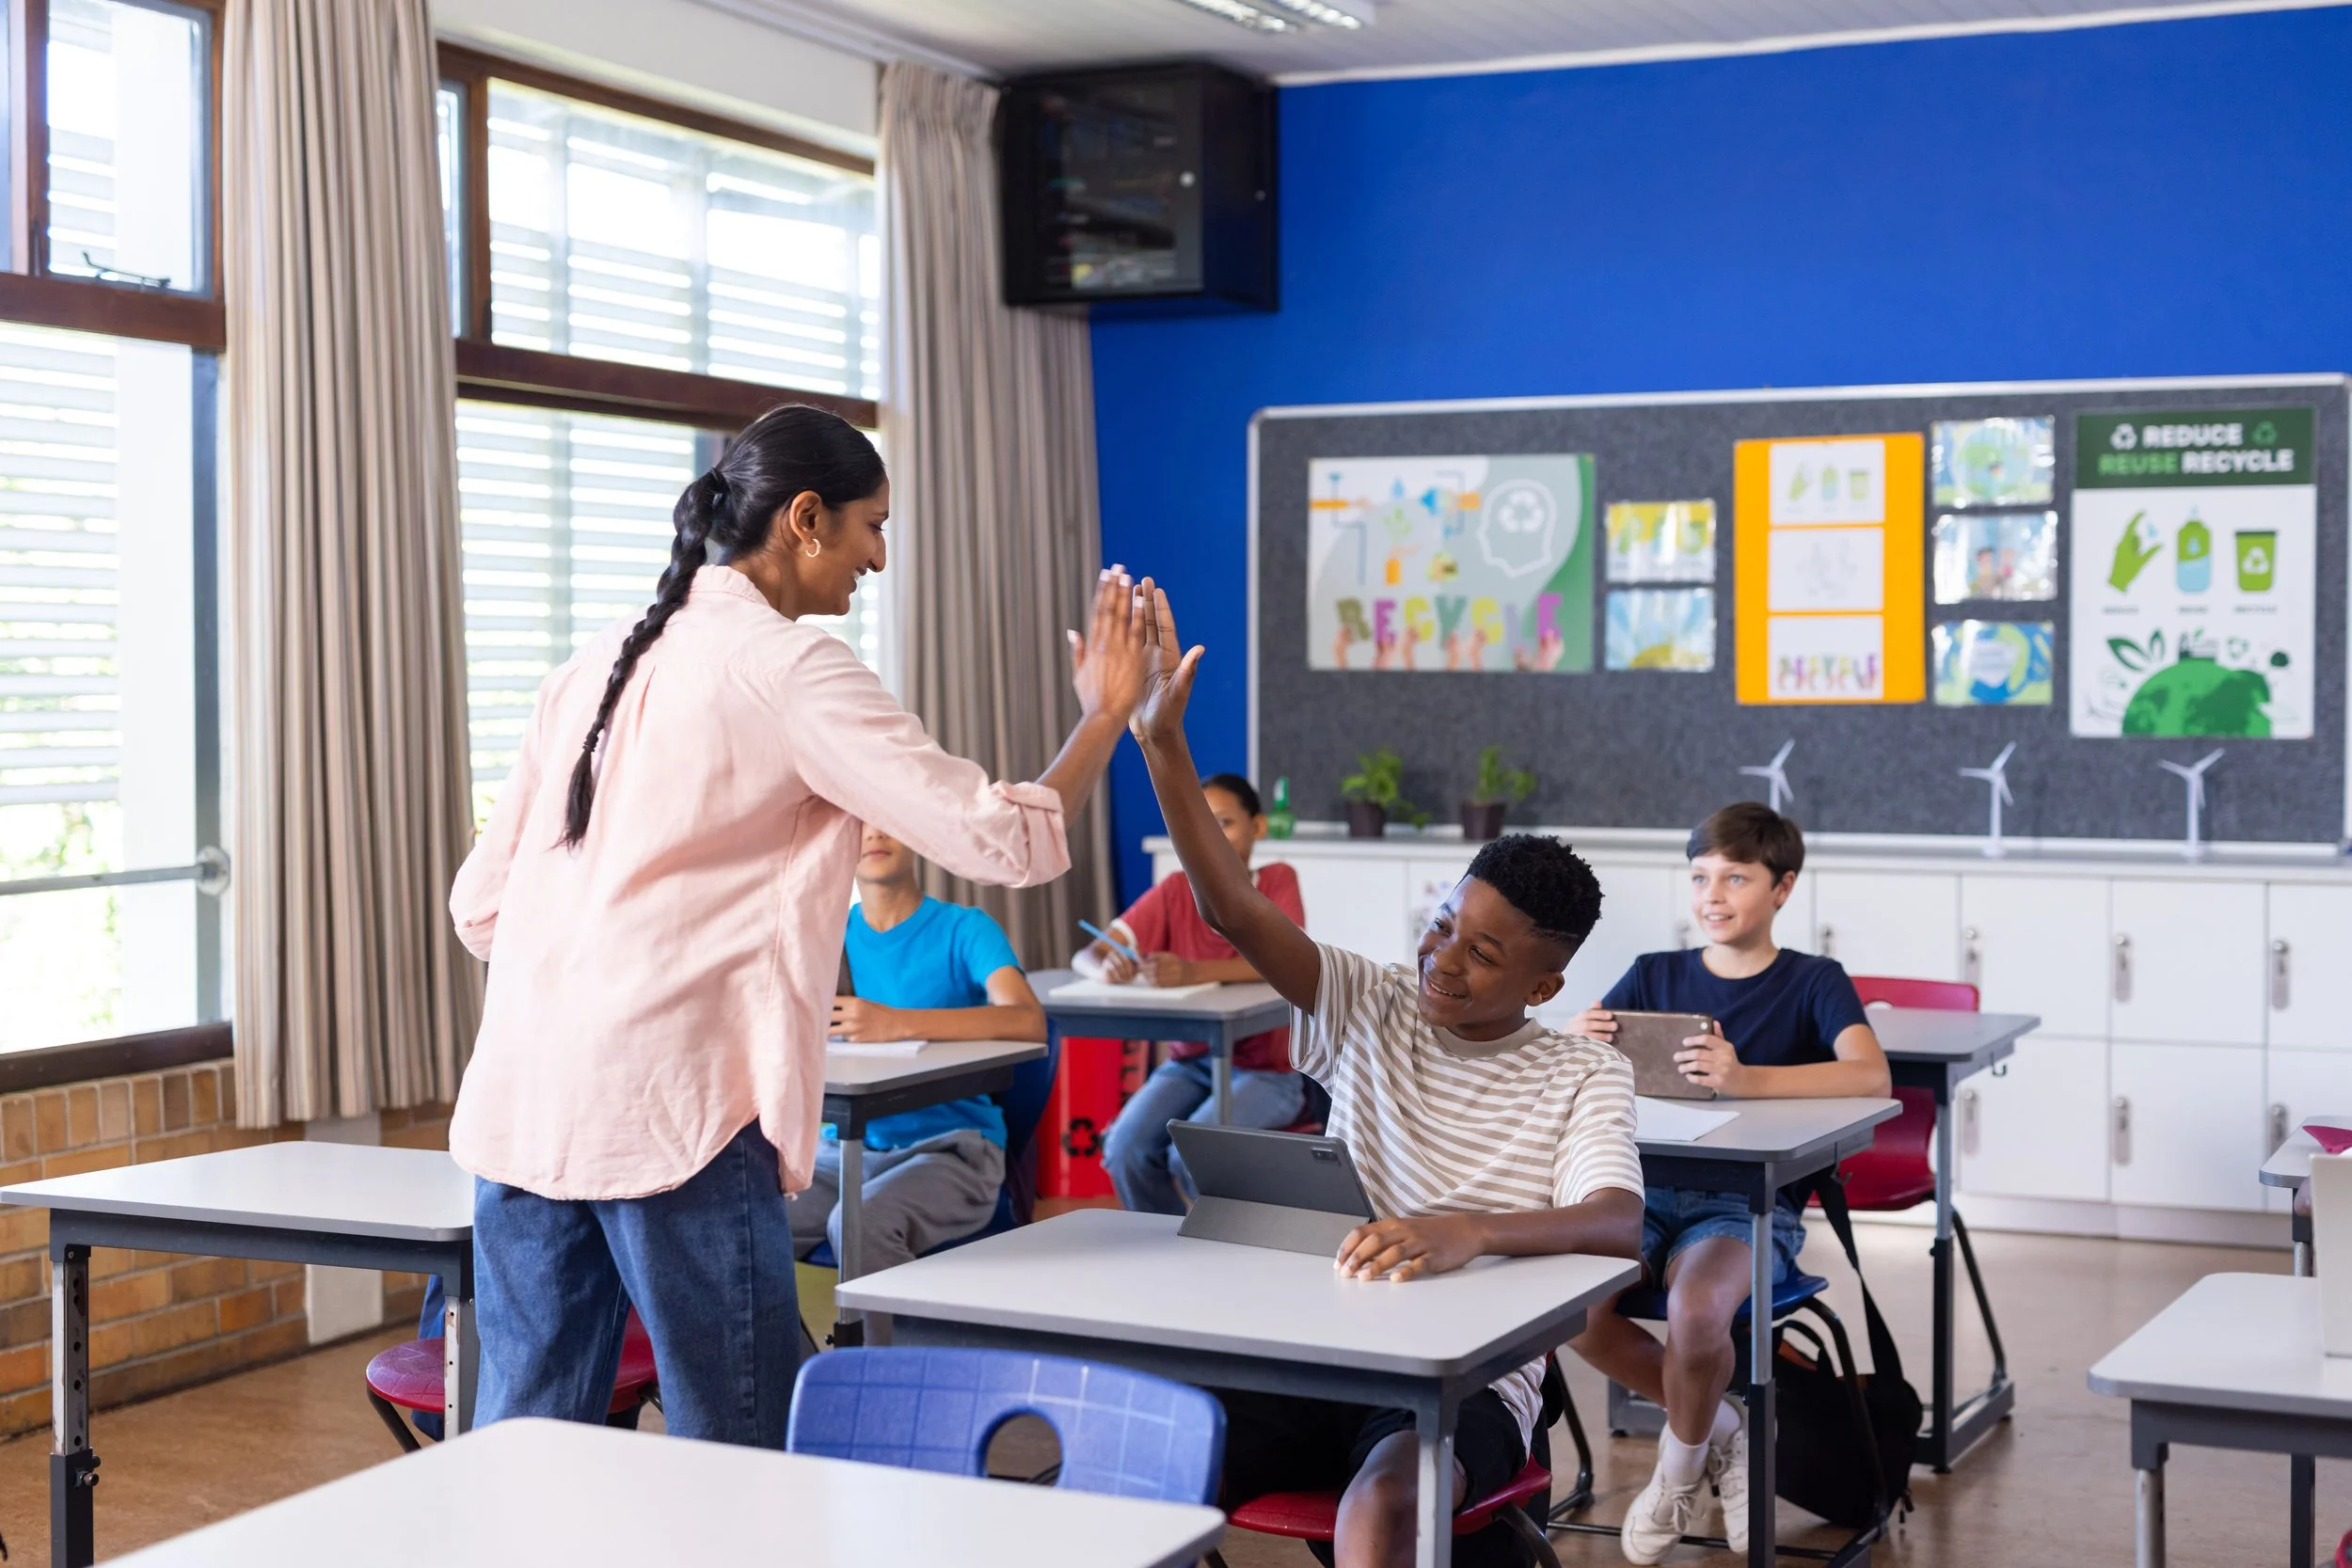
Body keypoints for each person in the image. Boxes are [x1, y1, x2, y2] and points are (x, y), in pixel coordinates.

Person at [446, 402, 1163, 1448]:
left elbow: (482, 908)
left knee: (526, 1449)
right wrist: (1104, 714)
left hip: (521, 1100)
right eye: (874, 525)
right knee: (739, 1445)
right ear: (806, 518)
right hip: (674, 1113)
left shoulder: (588, 665)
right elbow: (998, 841)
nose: (878, 556)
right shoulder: (793, 672)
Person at [1124, 587, 1643, 1568]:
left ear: (1544, 983)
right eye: (1443, 922)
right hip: (1315, 1344)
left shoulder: (1578, 1070)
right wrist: (1160, 743)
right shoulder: (1367, 999)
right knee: (1134, 1456)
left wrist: (1468, 1230)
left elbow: (1616, 1219)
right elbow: (1233, 907)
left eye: (1482, 955)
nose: (1442, 958)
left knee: (1382, 1511)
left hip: (1468, 1385)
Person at [1565, 801, 1891, 1564]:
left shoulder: (1815, 981)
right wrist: (1577, 1046)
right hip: (1641, 1192)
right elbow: (1588, 1072)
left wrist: (1746, 1078)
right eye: (1700, 877)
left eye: (1736, 877)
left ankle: (1676, 1470)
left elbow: (1870, 1072)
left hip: (1747, 1204)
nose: (1713, 895)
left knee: (1697, 1305)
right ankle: (1723, 1427)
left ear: (1781, 888)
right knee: (1569, 1304)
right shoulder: (1655, 972)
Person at [790, 826, 1045, 1271]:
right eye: (859, 824)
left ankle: (894, 1343)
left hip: (950, 1150)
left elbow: (1027, 1020)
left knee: (860, 1224)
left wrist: (895, 1024)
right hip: (840, 1151)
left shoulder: (965, 929)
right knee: (750, 1223)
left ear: (918, 834)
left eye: (889, 818)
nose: (875, 833)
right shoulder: (823, 937)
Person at [1075, 772, 1308, 1213]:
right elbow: (1086, 954)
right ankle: (1166, 1247)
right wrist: (1105, 966)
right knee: (1124, 1150)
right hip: (1190, 1065)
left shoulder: (1277, 881)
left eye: (1225, 823)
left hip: (1269, 1074)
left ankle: (1222, 1258)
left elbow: (1289, 958)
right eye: (1199, 826)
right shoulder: (1175, 891)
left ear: (1257, 827)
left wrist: (1193, 971)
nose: (1211, 839)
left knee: (1192, 1155)